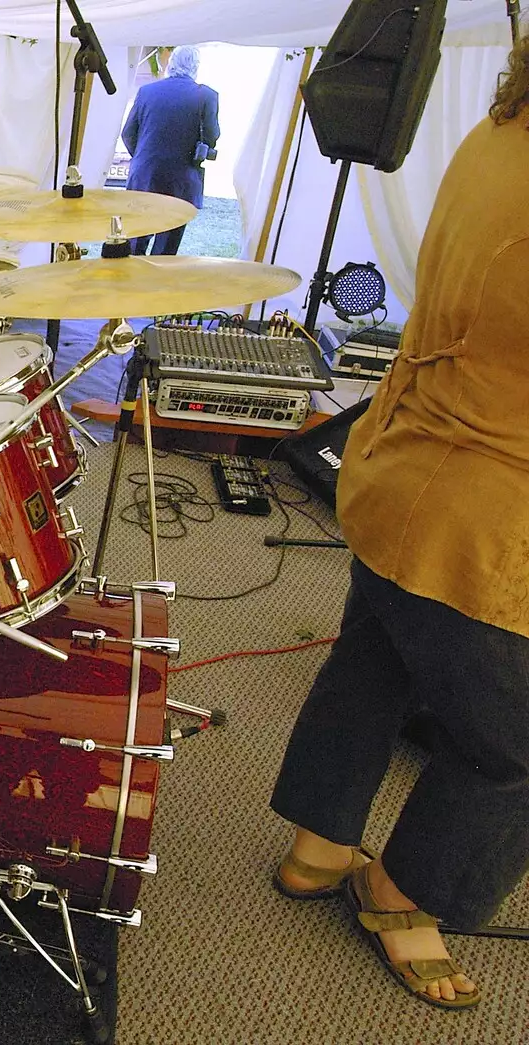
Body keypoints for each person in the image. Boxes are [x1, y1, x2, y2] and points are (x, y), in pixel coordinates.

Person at [268, 38, 529, 1012]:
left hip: (395, 458)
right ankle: (403, 889)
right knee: (510, 748)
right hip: (475, 511)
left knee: (371, 661)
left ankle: (317, 845)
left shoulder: (500, 128)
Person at [119, 45, 219, 256]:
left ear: (170, 65)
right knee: (165, 251)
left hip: (145, 176)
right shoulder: (207, 96)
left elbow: (128, 132)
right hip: (180, 182)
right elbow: (211, 136)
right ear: (196, 68)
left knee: (135, 240)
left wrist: (143, 157)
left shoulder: (146, 92)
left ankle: (127, 285)